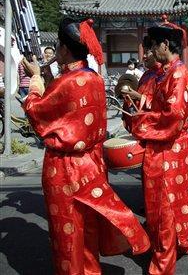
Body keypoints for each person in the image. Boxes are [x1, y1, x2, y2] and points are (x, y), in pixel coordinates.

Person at [22, 18, 150, 275]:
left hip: (65, 167)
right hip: (91, 163)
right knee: (87, 228)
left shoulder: (67, 82)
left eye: (58, 46)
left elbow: (37, 111)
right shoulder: (91, 78)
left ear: (65, 50)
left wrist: (36, 81)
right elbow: (65, 108)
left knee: (67, 232)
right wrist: (48, 79)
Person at [131, 25, 188, 274]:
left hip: (170, 148)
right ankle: (170, 245)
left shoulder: (179, 74)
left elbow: (172, 117)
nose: (149, 50)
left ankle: (163, 263)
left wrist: (140, 120)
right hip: (162, 145)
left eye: (153, 45)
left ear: (165, 46)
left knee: (165, 207)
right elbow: (161, 106)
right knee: (163, 204)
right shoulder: (164, 73)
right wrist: (143, 104)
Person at [121, 36, 160, 133]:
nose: (144, 56)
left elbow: (162, 106)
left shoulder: (163, 74)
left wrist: (138, 96)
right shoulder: (146, 74)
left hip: (154, 128)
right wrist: (128, 96)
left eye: (147, 52)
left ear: (157, 51)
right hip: (141, 124)